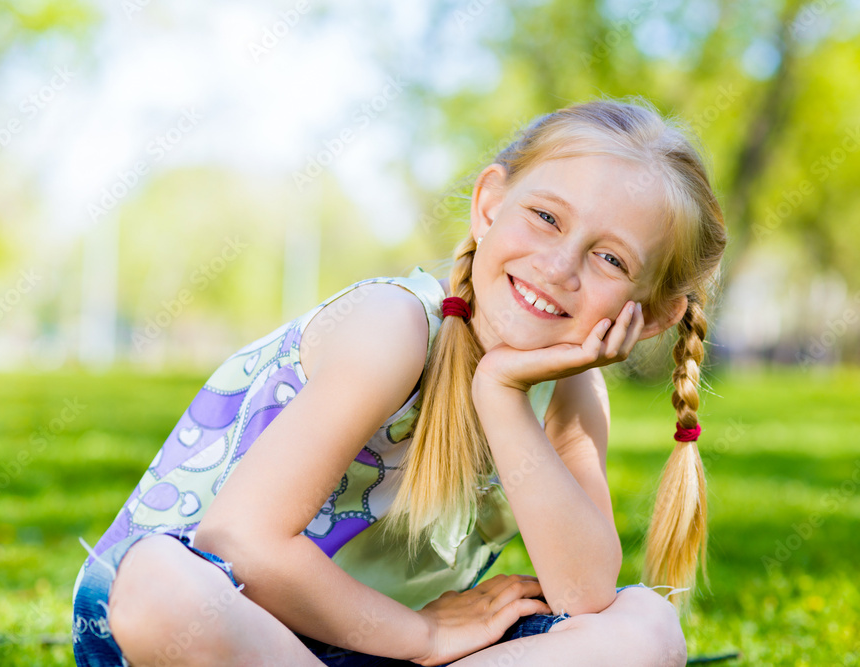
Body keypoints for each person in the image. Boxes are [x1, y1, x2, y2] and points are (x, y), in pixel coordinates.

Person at [72, 97, 727, 666]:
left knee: (646, 629)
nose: (559, 265)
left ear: (657, 315)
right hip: (221, 620)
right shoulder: (395, 326)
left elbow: (583, 593)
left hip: (371, 649)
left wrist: (501, 394)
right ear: (490, 205)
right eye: (546, 217)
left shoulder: (573, 396)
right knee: (162, 585)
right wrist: (420, 634)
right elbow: (239, 540)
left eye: (610, 257)